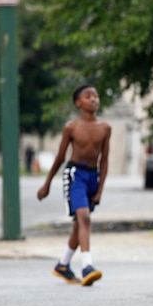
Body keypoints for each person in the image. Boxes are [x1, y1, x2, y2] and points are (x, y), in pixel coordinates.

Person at [37, 84, 111, 287]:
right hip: (74, 175)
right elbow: (60, 157)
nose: (93, 99)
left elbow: (104, 160)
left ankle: (63, 265)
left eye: (96, 95)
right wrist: (47, 184)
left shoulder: (105, 127)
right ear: (78, 103)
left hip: (92, 177)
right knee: (84, 218)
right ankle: (87, 266)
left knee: (80, 225)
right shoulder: (71, 127)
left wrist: (100, 189)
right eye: (88, 96)